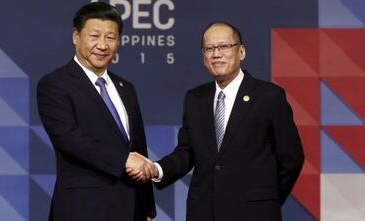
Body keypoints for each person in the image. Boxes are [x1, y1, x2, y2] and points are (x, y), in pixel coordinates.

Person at [128, 21, 305, 221]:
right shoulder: (195, 99)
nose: (216, 53)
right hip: (203, 212)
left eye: (224, 46)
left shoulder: (268, 96)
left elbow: (291, 159)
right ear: (204, 58)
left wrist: (266, 200)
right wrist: (156, 169)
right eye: (209, 48)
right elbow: (187, 153)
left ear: (242, 52)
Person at [37, 2, 156, 221]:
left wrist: (147, 207)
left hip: (131, 209)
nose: (102, 45)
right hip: (83, 209)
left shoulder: (125, 87)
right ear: (76, 36)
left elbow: (138, 147)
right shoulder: (55, 84)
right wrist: (123, 160)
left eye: (110, 38)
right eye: (94, 36)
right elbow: (69, 139)